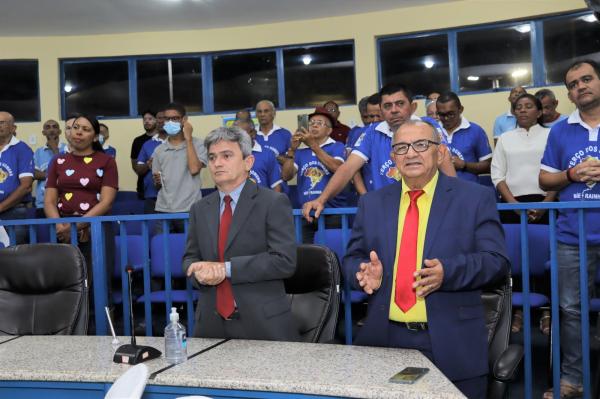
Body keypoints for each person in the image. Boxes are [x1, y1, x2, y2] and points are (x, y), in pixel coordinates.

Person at [344, 119, 509, 398]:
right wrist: (361, 273)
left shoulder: (474, 198)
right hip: (384, 339)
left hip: (451, 341)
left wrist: (449, 272)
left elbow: (496, 262)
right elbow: (352, 259)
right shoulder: (371, 203)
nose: (410, 153)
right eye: (401, 147)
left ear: (439, 152)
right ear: (393, 157)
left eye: (421, 145)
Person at [183, 126, 299, 341]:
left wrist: (225, 269)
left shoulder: (273, 202)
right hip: (210, 324)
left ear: (248, 162)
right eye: (212, 157)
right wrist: (197, 271)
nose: (217, 163)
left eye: (227, 155)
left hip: (263, 324)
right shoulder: (199, 209)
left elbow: (284, 261)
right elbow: (190, 258)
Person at [302, 83, 455, 222]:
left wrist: (456, 201)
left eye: (400, 104)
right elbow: (348, 168)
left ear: (413, 107)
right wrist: (321, 200)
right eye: (387, 106)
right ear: (381, 110)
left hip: (427, 210)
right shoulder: (372, 132)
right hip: (386, 214)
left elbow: (446, 166)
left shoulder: (430, 127)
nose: (394, 110)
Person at [539, 59, 600, 399]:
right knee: (571, 312)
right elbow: (544, 178)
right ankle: (573, 380)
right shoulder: (561, 129)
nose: (581, 87)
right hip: (571, 237)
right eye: (574, 84)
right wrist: (572, 175)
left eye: (587, 79)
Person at [492, 93, 556, 336]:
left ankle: (546, 311)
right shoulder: (506, 139)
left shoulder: (552, 135)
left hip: (546, 203)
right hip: (512, 206)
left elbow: (559, 170)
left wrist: (546, 203)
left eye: (529, 106)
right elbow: (497, 174)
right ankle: (518, 312)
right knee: (516, 260)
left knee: (546, 261)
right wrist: (513, 204)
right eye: (518, 107)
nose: (523, 110)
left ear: (539, 112)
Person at [44, 114, 118, 293]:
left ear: (94, 137)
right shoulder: (58, 161)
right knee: (66, 284)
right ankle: (70, 322)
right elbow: (49, 200)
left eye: (86, 129)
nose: (78, 132)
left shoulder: (106, 161)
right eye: (76, 127)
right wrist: (61, 226)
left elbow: (107, 202)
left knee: (98, 284)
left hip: (96, 228)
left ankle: (100, 321)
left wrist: (74, 226)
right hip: (62, 229)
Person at [281, 107, 346, 242]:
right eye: (311, 123)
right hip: (306, 214)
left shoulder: (337, 146)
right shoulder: (301, 152)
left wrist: (313, 146)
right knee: (306, 257)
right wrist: (292, 150)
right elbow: (286, 176)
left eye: (320, 123)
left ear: (329, 130)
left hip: (332, 213)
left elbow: (338, 168)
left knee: (332, 255)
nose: (314, 125)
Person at [151, 103, 207, 233]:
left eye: (175, 118)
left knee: (191, 252)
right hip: (163, 211)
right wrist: (157, 181)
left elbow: (194, 169)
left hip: (189, 210)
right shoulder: (159, 150)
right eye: (167, 119)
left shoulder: (198, 144)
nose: (170, 122)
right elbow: (157, 185)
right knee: (162, 250)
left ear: (184, 120)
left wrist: (188, 139)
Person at [436, 92, 492, 183]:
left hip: (470, 191)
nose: (446, 118)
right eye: (442, 115)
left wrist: (464, 165)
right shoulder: (432, 132)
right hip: (440, 192)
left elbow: (489, 166)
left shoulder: (475, 131)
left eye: (451, 114)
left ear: (460, 109)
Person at [0, 111, 34, 244]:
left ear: (13, 128)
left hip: (14, 212)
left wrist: (1, 207)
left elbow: (26, 186)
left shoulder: (22, 149)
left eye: (2, 123)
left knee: (14, 256)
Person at [233, 116, 282, 192]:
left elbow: (276, 186)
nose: (237, 138)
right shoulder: (230, 156)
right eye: (235, 135)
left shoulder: (268, 154)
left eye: (241, 134)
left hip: (264, 202)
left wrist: (273, 204)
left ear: (253, 133)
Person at [33, 119, 68, 217]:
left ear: (60, 131)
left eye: (55, 127)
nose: (51, 130)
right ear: (43, 132)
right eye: (48, 127)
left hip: (64, 202)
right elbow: (34, 174)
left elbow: (65, 171)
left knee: (64, 231)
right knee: (44, 232)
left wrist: (55, 149)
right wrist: (54, 174)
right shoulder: (38, 152)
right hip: (42, 203)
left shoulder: (68, 149)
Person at [136, 110, 166, 213]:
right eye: (158, 118)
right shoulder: (147, 144)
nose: (161, 121)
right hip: (152, 196)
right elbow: (139, 169)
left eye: (164, 118)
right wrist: (148, 165)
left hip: (176, 196)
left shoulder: (179, 143)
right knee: (153, 228)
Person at [254, 100, 292, 165]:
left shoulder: (285, 134)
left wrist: (273, 156)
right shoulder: (251, 134)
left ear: (274, 113)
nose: (262, 114)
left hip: (280, 174)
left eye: (266, 111)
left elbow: (292, 163)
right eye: (259, 112)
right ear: (256, 114)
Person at [130, 110, 157, 199]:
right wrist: (146, 167)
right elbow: (135, 165)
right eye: (144, 119)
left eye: (150, 119)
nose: (147, 121)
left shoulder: (164, 139)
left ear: (157, 120)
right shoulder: (137, 141)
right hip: (143, 187)